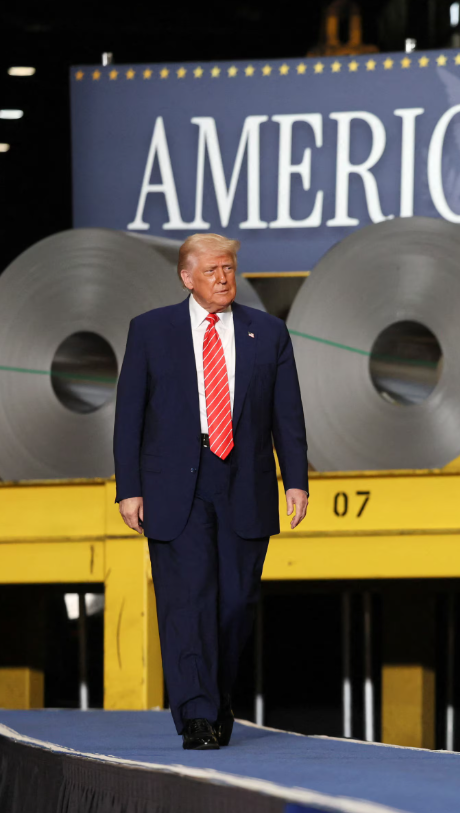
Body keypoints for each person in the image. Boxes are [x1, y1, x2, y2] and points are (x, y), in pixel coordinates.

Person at [113, 233, 310, 751]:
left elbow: (286, 414)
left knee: (234, 605)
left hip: (243, 482)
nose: (223, 278)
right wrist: (128, 488)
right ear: (186, 277)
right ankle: (197, 714)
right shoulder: (150, 331)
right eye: (212, 271)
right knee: (187, 602)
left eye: (228, 269)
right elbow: (129, 415)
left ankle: (217, 697)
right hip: (175, 485)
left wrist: (295, 480)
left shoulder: (267, 333)